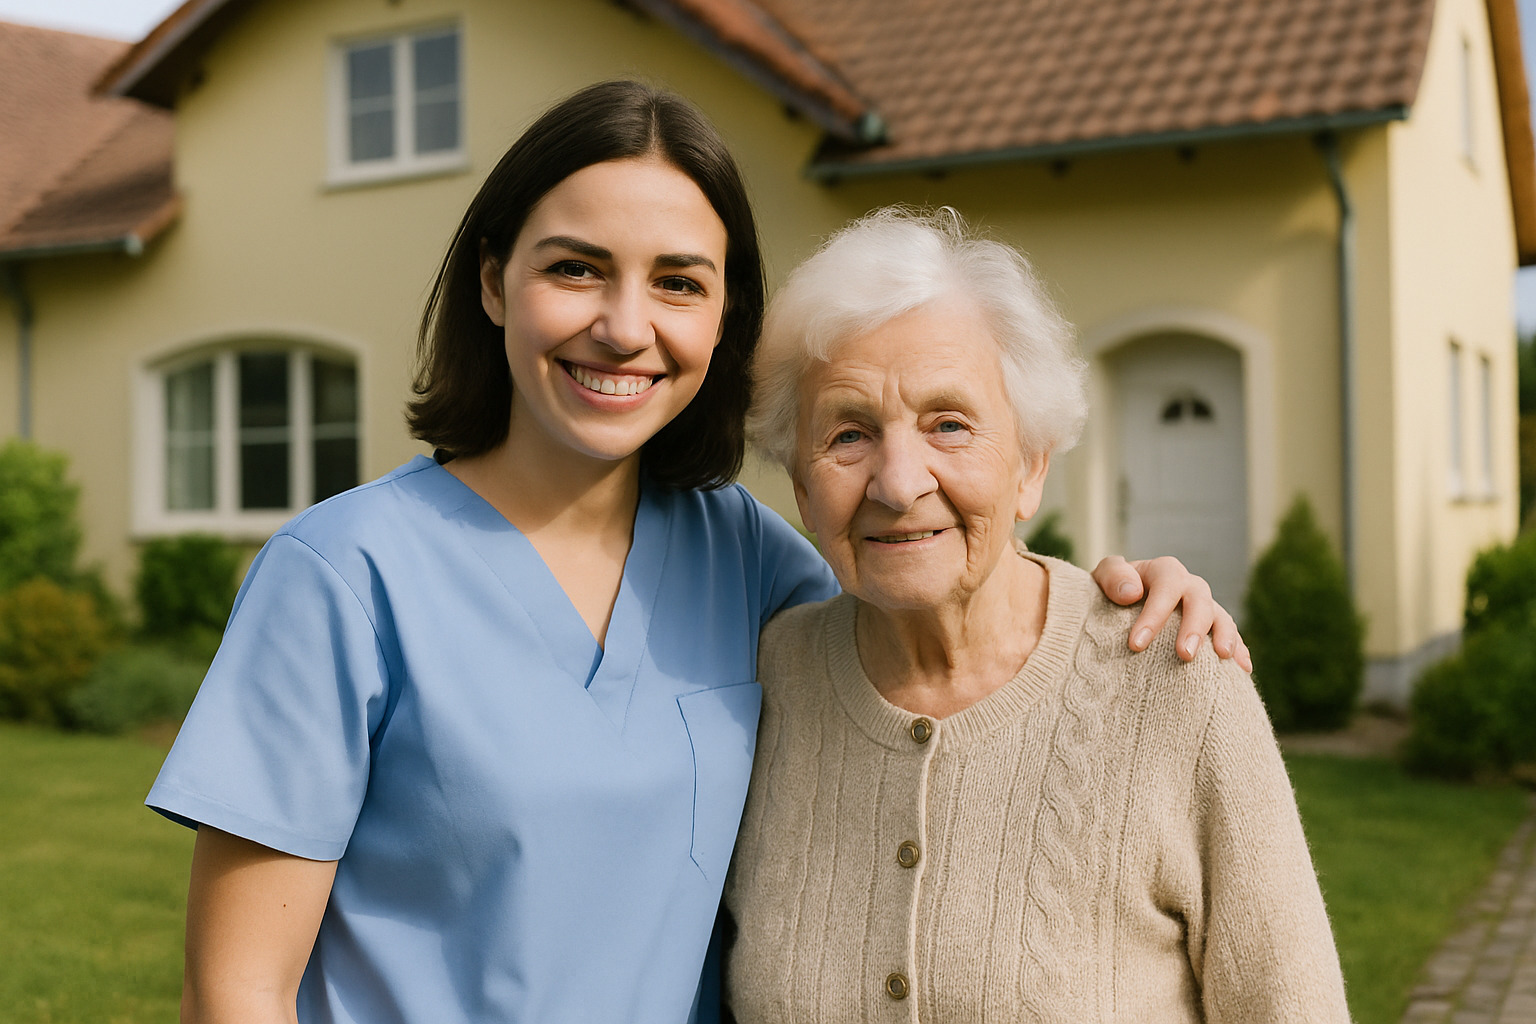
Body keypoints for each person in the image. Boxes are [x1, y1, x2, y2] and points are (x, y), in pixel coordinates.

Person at [147, 83, 1246, 1024]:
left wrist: (1110, 599)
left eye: (678, 281)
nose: (627, 326)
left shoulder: (757, 565)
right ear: (493, 283)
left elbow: (940, 631)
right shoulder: (344, 575)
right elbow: (236, 993)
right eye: (577, 269)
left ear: (723, 321)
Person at [725, 207, 1348, 1022]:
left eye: (949, 423)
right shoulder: (765, 682)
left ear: (1030, 467)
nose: (897, 481)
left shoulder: (1176, 683)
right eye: (848, 434)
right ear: (803, 489)